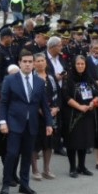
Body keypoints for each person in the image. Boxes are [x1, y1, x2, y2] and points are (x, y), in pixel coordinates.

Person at [0, 49, 52, 194]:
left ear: (33, 64)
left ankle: (24, 185)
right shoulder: (10, 80)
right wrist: (2, 122)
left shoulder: (40, 82)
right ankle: (6, 184)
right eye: (25, 62)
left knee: (27, 155)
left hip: (32, 124)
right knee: (12, 154)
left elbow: (44, 105)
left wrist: (49, 123)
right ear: (19, 63)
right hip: (14, 123)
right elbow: (3, 102)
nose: (27, 64)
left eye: (30, 62)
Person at [62, 52, 97, 176]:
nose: (80, 66)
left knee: (84, 140)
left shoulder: (89, 77)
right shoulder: (68, 78)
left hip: (87, 113)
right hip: (73, 114)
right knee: (73, 141)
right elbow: (66, 97)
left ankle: (82, 166)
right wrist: (79, 107)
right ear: (74, 65)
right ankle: (72, 168)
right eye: (78, 64)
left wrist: (93, 102)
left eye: (82, 64)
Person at [30, 50, 62, 181]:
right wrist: (41, 110)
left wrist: (56, 108)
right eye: (37, 61)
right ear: (33, 64)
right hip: (36, 115)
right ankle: (35, 170)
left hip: (51, 114)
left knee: (49, 143)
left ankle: (46, 169)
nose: (40, 63)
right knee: (35, 143)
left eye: (43, 61)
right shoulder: (31, 78)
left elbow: (58, 94)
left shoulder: (50, 77)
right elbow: (30, 97)